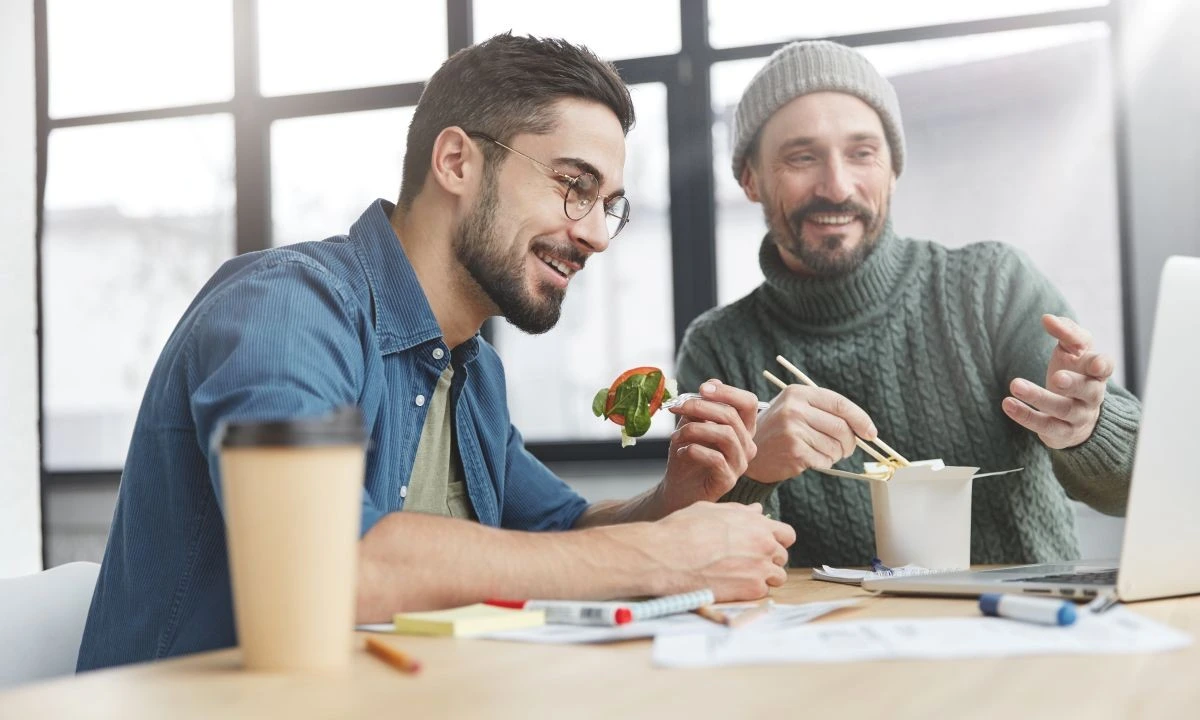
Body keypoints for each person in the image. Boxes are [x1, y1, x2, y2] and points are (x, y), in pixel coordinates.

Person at [77, 34, 794, 672]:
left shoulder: (472, 368)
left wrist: (672, 501)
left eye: (608, 204)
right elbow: (322, 565)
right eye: (573, 185)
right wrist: (658, 557)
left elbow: (561, 532)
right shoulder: (287, 307)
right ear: (455, 162)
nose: (597, 235)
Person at [676, 40, 1140, 568]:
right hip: (830, 622)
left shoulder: (993, 287)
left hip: (1023, 614)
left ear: (893, 169)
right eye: (802, 157)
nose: (837, 186)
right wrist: (753, 467)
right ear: (750, 179)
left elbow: (1135, 489)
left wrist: (1087, 427)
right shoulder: (720, 348)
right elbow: (703, 561)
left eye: (862, 153)